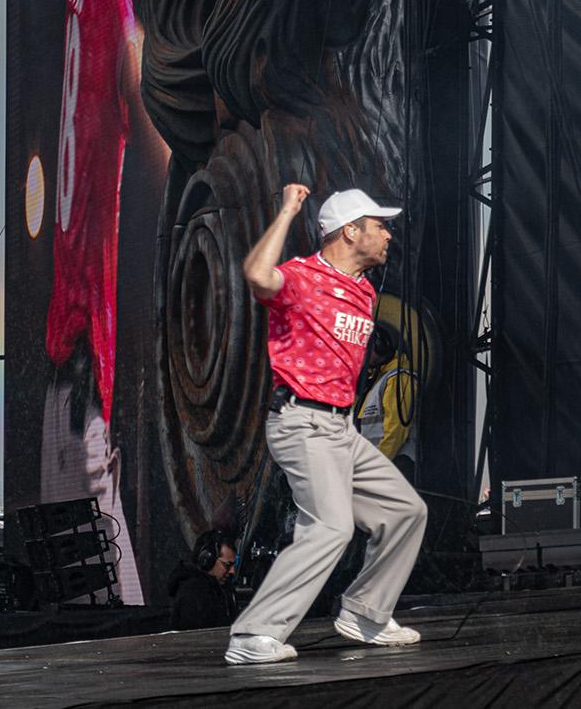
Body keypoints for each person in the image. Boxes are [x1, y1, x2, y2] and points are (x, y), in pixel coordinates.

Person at [40, 0, 157, 606]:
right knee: (112, 598)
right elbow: (154, 133)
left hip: (63, 332)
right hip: (87, 346)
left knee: (76, 581)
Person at [224, 186, 428, 666]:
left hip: (341, 429)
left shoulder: (364, 291)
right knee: (331, 527)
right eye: (380, 226)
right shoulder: (300, 277)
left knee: (406, 511)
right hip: (302, 422)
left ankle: (365, 613)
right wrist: (288, 210)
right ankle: (254, 633)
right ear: (350, 231)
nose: (388, 235)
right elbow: (256, 275)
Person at [356, 315, 418, 483]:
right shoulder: (376, 381)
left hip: (395, 464)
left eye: (363, 348)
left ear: (378, 347)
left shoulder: (399, 377)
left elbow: (396, 429)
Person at [167, 529, 238, 630]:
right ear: (207, 560)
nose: (232, 571)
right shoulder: (192, 592)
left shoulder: (223, 590)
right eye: (227, 565)